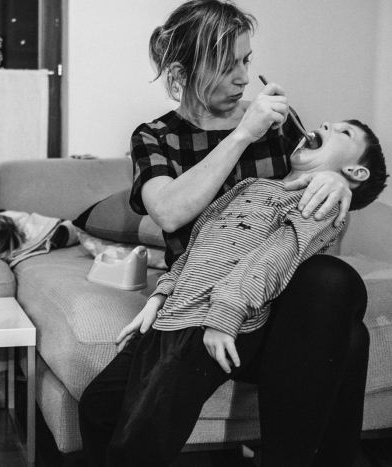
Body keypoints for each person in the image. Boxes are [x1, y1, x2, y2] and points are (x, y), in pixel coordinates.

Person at [78, 2, 382, 466]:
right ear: (183, 72)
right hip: (198, 303)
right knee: (100, 406)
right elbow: (172, 213)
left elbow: (308, 227)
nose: (243, 79)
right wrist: (241, 134)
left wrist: (335, 184)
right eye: (227, 66)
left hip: (274, 308)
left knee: (332, 284)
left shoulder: (277, 125)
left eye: (247, 61)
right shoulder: (156, 137)